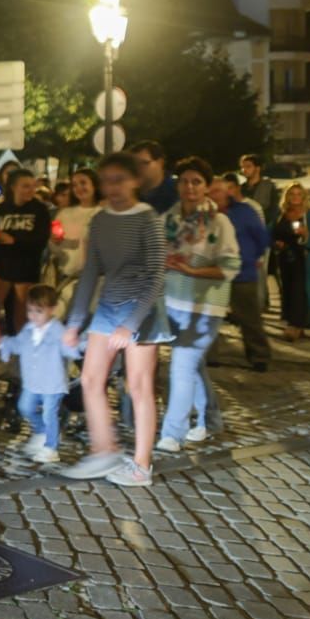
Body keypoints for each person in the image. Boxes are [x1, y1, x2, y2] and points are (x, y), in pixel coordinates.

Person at [61, 152, 169, 485]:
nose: (113, 188)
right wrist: (75, 322)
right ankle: (104, 450)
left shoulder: (148, 219)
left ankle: (141, 465)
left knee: (138, 386)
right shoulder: (101, 220)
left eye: (119, 180)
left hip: (142, 311)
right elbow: (91, 271)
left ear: (135, 181)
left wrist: (130, 325)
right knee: (91, 380)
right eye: (107, 181)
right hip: (109, 308)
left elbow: (155, 276)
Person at [156, 157, 240, 455]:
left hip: (205, 307)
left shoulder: (219, 222)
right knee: (194, 366)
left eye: (197, 181)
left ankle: (173, 433)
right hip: (173, 303)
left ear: (206, 186)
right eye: (184, 181)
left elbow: (230, 266)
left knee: (181, 367)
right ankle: (211, 419)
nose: (189, 187)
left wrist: (194, 271)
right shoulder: (169, 219)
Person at [0, 285, 77, 464]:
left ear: (52, 310)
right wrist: (4, 343)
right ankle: (42, 431)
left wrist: (76, 345)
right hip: (32, 381)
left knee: (50, 413)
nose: (33, 315)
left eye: (39, 311)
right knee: (25, 407)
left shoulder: (59, 332)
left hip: (52, 383)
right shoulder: (28, 329)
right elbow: (18, 344)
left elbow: (70, 349)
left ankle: (51, 447)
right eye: (30, 310)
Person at [212, 175, 272, 373]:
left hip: (242, 271)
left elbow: (262, 238)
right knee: (209, 316)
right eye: (211, 191)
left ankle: (259, 356)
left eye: (218, 191)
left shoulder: (245, 212)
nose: (214, 195)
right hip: (213, 273)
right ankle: (209, 355)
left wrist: (251, 257)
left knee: (249, 317)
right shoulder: (203, 213)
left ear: (227, 192)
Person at [0, 168, 53, 333]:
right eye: (25, 186)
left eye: (32, 186)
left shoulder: (39, 210)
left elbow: (40, 240)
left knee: (22, 315)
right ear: (13, 187)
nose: (31, 190)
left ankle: (22, 352)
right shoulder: (1, 210)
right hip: (1, 267)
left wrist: (14, 241)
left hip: (25, 269)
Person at [272, 184, 310, 340]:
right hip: (284, 258)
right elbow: (272, 232)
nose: (295, 197)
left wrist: (305, 234)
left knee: (300, 291)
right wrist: (276, 243)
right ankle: (292, 322)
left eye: (299, 194)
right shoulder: (281, 214)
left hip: (303, 258)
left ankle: (297, 325)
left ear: (304, 197)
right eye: (292, 194)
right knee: (287, 290)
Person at [51, 168, 101, 289]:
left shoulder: (103, 213)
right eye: (74, 185)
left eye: (83, 183)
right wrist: (55, 242)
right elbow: (54, 241)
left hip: (96, 277)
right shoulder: (64, 213)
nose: (79, 188)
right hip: (66, 274)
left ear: (94, 185)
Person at [131, 139, 178, 214]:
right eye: (134, 164)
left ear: (160, 162)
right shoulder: (129, 195)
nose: (138, 168)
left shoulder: (178, 191)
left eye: (144, 163)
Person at [238, 153, 278, 223]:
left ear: (257, 168)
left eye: (248, 166)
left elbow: (274, 209)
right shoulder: (241, 188)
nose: (244, 170)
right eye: (242, 167)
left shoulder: (268, 186)